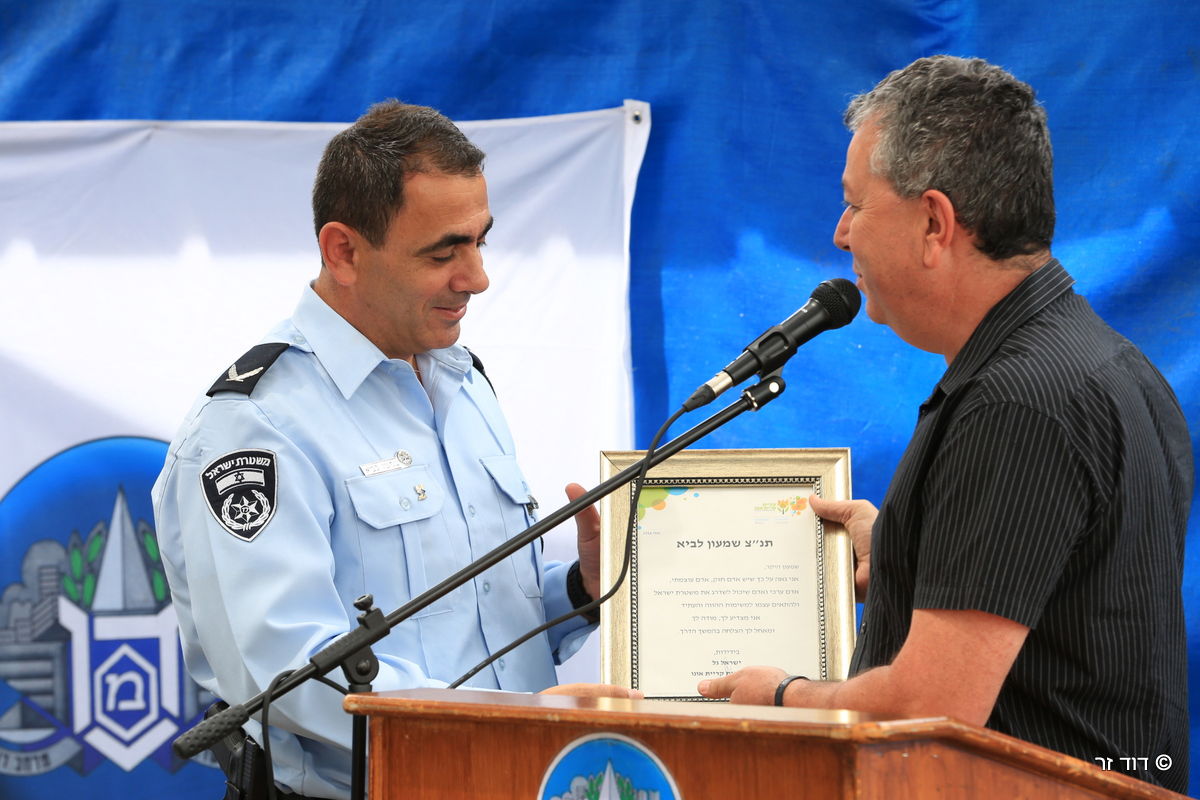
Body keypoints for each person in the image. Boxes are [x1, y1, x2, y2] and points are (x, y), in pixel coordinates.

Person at [698, 55, 1191, 792]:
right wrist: (904, 548)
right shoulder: (1112, 367)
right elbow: (1064, 614)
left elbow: (931, 710)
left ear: (934, 222)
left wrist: (780, 698)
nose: (840, 234)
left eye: (856, 205)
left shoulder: (1019, 404)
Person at [153, 100, 632, 800]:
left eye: (480, 242)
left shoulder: (462, 382)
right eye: (444, 251)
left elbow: (483, 620)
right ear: (344, 251)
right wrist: (515, 724)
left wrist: (580, 591)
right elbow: (289, 676)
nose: (476, 277)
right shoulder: (256, 426)